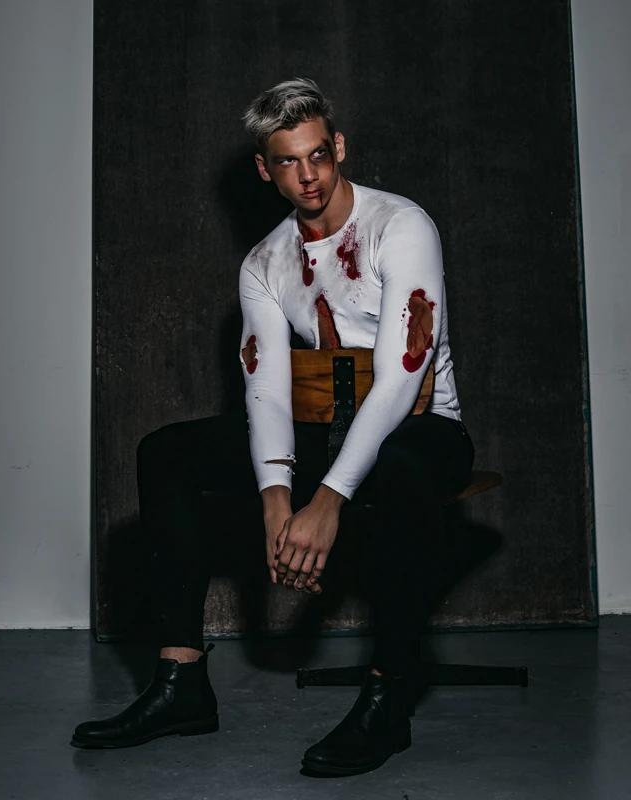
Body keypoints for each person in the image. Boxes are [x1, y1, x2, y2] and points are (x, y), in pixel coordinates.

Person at [71, 78, 474, 777]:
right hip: (327, 427)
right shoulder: (264, 262)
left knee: (403, 463)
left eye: (318, 154)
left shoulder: (400, 226)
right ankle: (181, 681)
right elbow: (265, 390)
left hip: (421, 428)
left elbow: (403, 376)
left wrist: (329, 500)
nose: (308, 175)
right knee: (165, 452)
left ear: (338, 146)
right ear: (265, 169)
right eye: (288, 161)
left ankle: (389, 697)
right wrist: (276, 500)